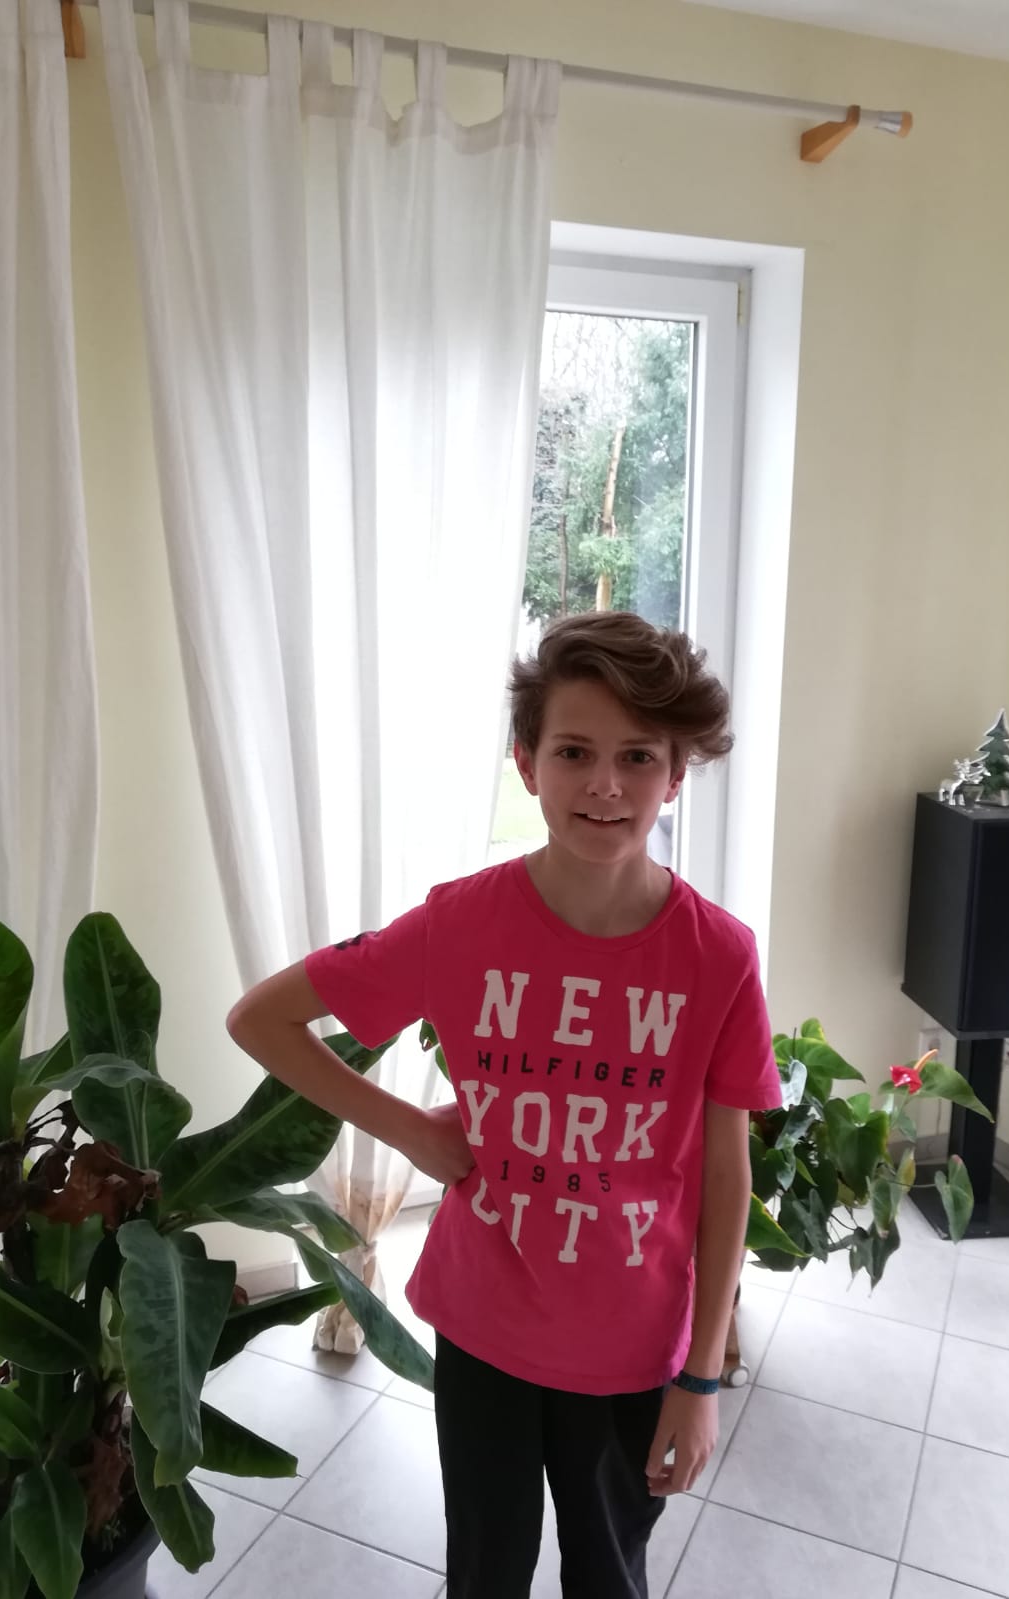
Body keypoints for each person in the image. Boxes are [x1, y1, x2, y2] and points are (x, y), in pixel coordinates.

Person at [227, 610, 781, 1599]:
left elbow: (727, 1176)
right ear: (526, 762)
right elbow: (262, 1019)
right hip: (485, 1332)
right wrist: (413, 1133)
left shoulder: (719, 956)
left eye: (637, 756)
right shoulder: (461, 923)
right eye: (574, 751)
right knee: (485, 1573)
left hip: (632, 1344)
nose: (605, 784)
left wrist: (701, 1377)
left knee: (609, 1576)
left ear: (675, 774)